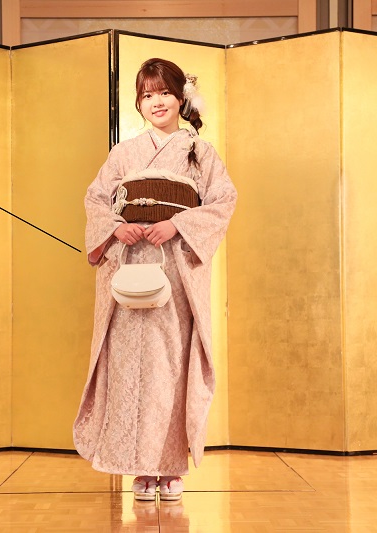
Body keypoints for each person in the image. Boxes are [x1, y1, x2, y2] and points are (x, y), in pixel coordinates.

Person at [73, 58, 237, 501]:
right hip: (129, 264)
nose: (156, 102)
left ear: (181, 98)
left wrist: (177, 225)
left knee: (170, 366)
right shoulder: (123, 153)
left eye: (164, 92)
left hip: (175, 268)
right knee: (128, 364)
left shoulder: (200, 153)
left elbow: (223, 201)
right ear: (139, 104)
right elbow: (96, 199)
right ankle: (139, 468)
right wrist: (115, 228)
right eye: (147, 95)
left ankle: (169, 467)